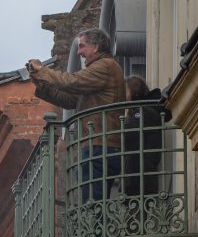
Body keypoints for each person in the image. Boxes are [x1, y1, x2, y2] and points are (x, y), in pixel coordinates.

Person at [27, 28, 125, 201]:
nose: (79, 51)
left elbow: (71, 81)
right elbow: (70, 100)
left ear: (96, 47)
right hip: (98, 142)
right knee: (92, 198)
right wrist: (40, 82)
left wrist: (42, 70)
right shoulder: (101, 70)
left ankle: (94, 219)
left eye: (82, 46)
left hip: (100, 143)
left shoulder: (105, 66)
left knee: (92, 201)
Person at [122, 76, 166, 196]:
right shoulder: (141, 111)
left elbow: (126, 134)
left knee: (137, 206)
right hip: (138, 176)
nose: (123, 96)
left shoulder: (143, 111)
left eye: (125, 91)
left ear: (134, 92)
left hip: (140, 177)